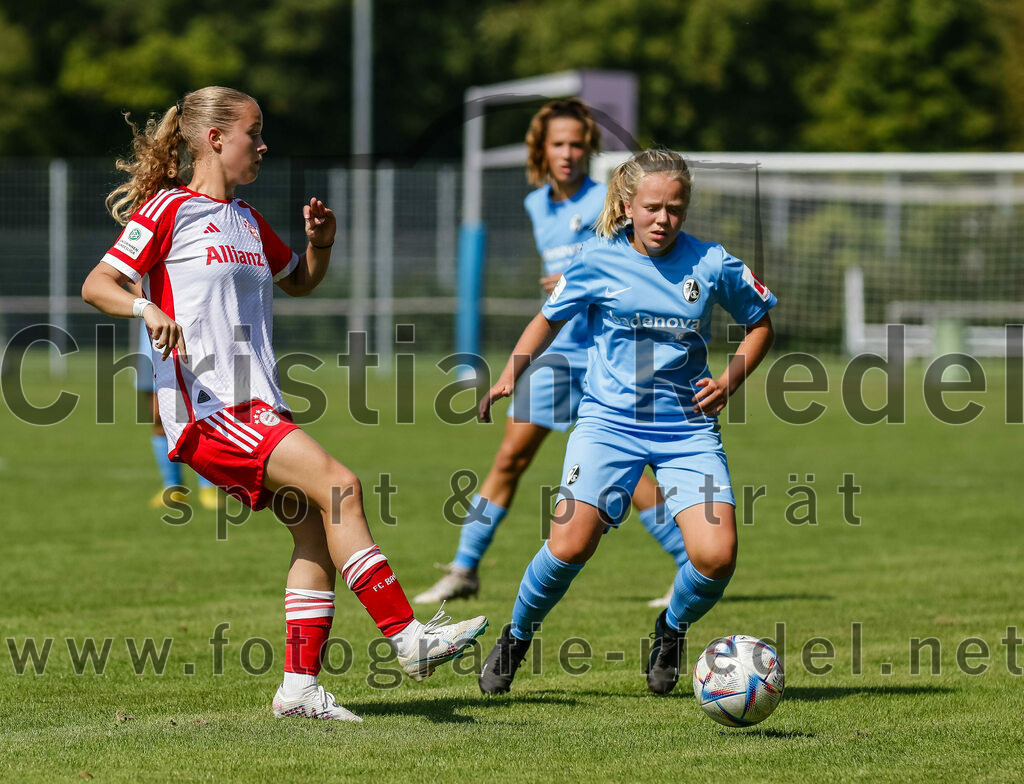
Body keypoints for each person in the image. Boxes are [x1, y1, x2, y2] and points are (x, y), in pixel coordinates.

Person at [82, 86, 487, 723]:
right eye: (254, 132)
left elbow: (297, 279)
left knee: (314, 534)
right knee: (342, 487)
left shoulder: (245, 221)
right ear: (215, 139)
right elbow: (98, 283)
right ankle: (408, 639)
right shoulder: (167, 210)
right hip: (210, 410)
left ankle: (298, 691)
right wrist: (146, 307)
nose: (264, 144)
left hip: (258, 406)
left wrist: (321, 243)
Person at [474, 149, 776, 697]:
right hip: (607, 424)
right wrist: (509, 376)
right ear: (629, 205)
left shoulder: (712, 263)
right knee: (569, 546)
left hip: (687, 430)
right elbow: (548, 318)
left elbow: (760, 324)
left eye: (676, 209)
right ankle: (517, 636)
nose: (665, 219)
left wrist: (730, 380)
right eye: (654, 207)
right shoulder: (596, 258)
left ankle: (672, 629)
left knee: (716, 557)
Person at [414, 99, 687, 608]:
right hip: (559, 355)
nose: (568, 153)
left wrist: (581, 280)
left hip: (610, 355)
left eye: (577, 143)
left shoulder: (608, 199)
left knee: (629, 473)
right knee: (509, 459)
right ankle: (464, 569)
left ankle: (687, 563)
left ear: (590, 149)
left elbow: (640, 262)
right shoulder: (537, 204)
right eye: (558, 143)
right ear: (541, 149)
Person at [133, 313, 220, 510]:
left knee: (200, 412)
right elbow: (130, 282)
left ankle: (208, 486)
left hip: (193, 329)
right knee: (157, 416)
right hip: (153, 332)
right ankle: (173, 488)